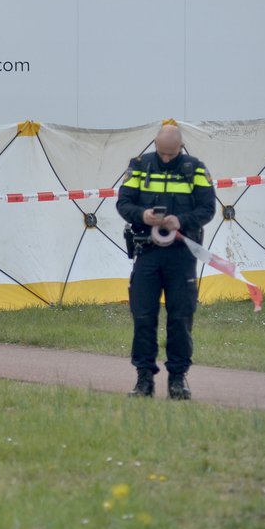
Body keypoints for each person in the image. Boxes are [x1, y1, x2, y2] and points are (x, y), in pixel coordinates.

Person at [115, 122, 216, 400]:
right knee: (143, 317)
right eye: (162, 152)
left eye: (172, 153)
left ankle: (178, 379)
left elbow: (208, 208)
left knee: (181, 318)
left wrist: (180, 220)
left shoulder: (195, 168)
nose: (167, 158)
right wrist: (142, 216)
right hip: (147, 252)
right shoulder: (139, 166)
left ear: (181, 147)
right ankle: (143, 380)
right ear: (155, 145)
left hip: (181, 255)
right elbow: (123, 203)